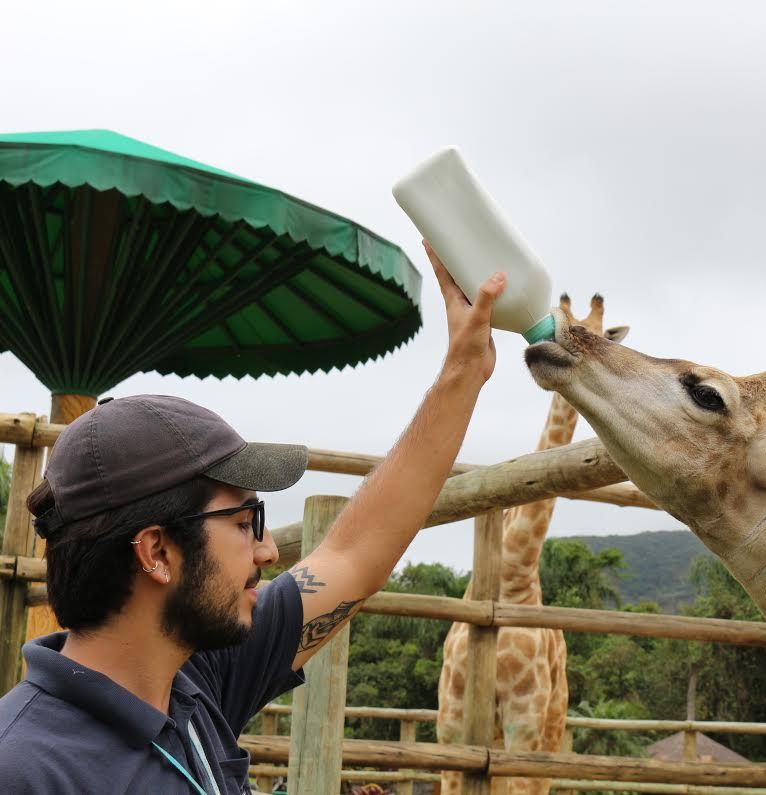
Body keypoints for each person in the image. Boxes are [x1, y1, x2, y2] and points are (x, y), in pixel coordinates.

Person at [0, 245, 506, 794]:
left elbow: (353, 557)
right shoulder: (26, 769)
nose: (267, 551)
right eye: (244, 522)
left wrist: (463, 371)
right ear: (157, 552)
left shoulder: (195, 681)